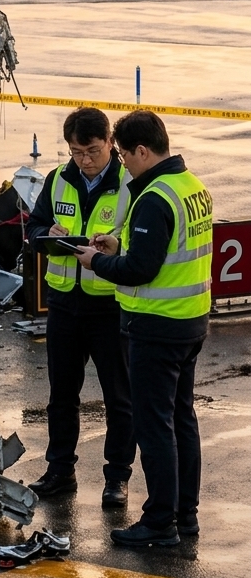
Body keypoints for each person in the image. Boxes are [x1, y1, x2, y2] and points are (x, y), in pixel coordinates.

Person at [73, 111, 212, 549]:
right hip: (191, 321)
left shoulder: (154, 197)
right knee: (182, 420)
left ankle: (159, 523)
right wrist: (119, 244)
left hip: (157, 327)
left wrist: (98, 262)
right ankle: (184, 514)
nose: (123, 165)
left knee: (155, 428)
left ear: (142, 151)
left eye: (123, 156)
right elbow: (164, 250)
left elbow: (140, 270)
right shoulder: (192, 188)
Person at [25, 107, 135, 507]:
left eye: (92, 151)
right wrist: (46, 233)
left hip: (109, 305)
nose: (85, 161)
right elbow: (34, 226)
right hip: (65, 304)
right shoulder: (57, 179)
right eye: (76, 152)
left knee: (119, 397)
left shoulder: (130, 183)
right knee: (61, 396)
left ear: (110, 143)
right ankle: (59, 471)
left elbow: (139, 242)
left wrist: (115, 246)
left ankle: (117, 478)